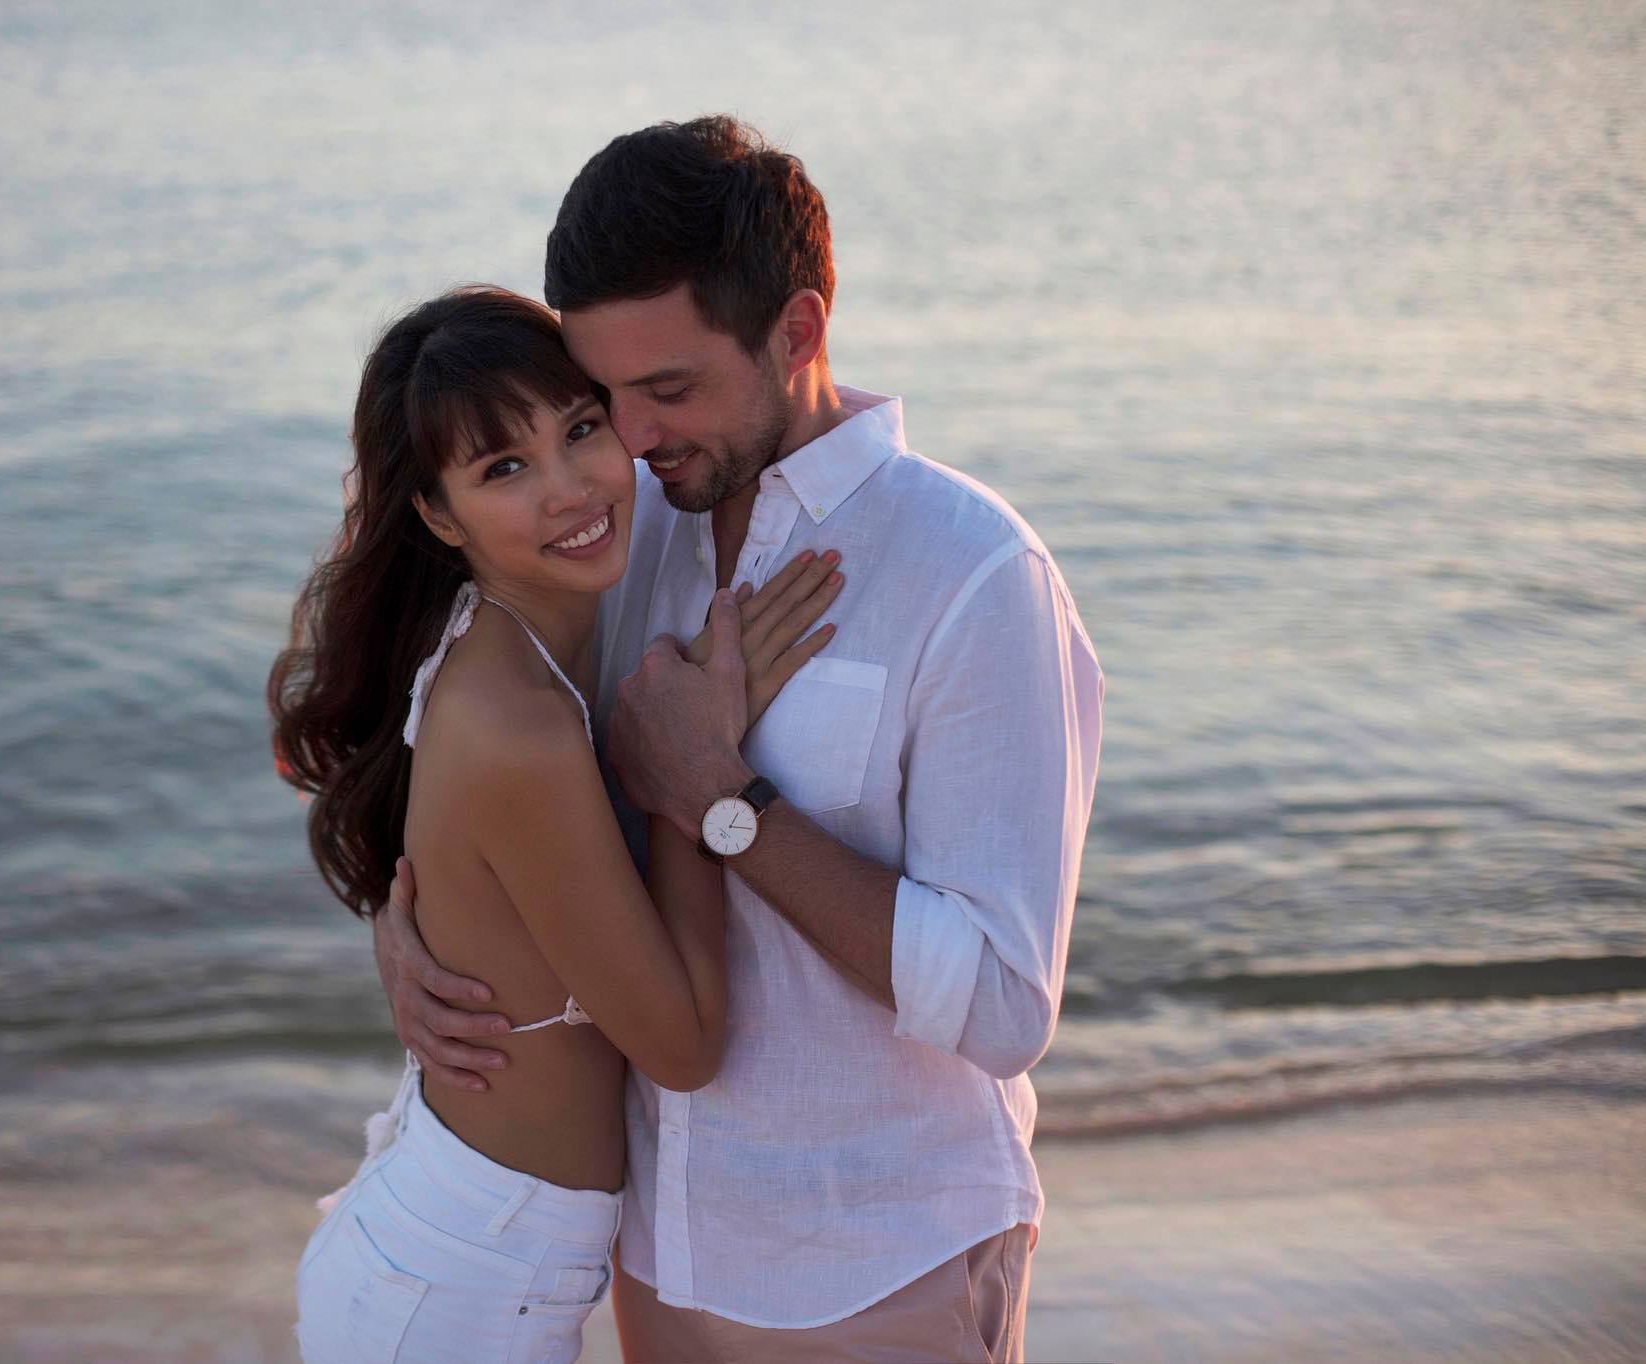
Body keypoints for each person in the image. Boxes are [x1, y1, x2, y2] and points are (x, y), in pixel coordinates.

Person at [373, 117, 1105, 1361]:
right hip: (653, 1253)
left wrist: (722, 801)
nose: (629, 436)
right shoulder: (623, 527)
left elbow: (999, 1000)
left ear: (797, 331)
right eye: (603, 395)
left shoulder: (973, 573)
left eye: (669, 389)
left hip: (881, 1266)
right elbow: (494, 767)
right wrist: (412, 929)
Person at [269, 285, 847, 1363]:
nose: (570, 487)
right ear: (438, 516)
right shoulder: (521, 723)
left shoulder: (507, 633)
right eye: (504, 468)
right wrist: (689, 774)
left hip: (445, 1238)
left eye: (580, 429)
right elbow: (682, 1047)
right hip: (463, 1292)